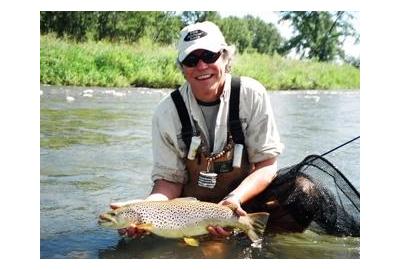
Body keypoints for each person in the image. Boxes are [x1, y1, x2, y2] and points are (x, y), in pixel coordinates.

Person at [111, 21, 309, 238]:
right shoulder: (166, 112)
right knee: (211, 253)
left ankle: (267, 242)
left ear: (225, 57)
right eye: (191, 60)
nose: (201, 66)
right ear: (183, 69)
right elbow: (169, 181)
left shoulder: (251, 95)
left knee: (304, 191)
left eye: (209, 55)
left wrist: (234, 199)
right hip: (187, 216)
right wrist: (143, 210)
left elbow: (267, 166)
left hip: (241, 202)